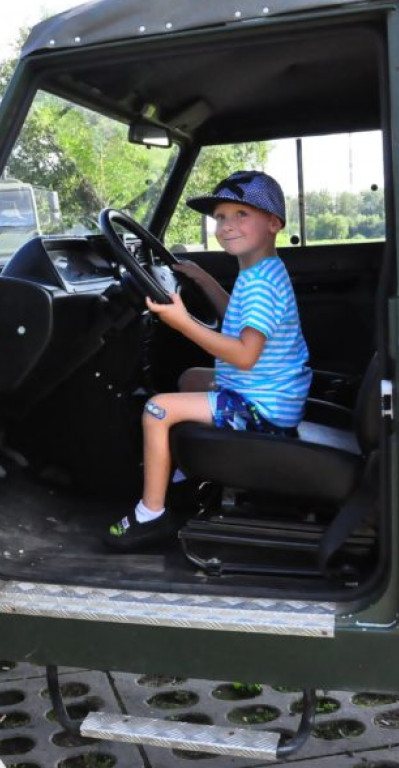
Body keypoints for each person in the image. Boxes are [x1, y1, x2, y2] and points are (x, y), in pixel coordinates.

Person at [105, 170, 312, 550]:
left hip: (261, 409)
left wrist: (183, 322)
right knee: (190, 378)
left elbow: (246, 355)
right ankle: (186, 475)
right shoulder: (263, 271)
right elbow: (238, 318)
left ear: (273, 223)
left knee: (156, 410)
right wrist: (202, 279)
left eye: (240, 215)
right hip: (271, 394)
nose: (226, 226)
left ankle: (151, 514)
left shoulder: (261, 283)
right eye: (220, 217)